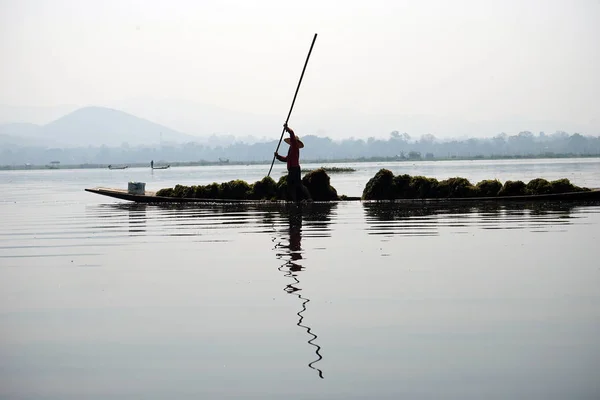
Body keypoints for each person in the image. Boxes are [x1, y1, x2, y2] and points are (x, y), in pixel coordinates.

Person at [275, 124, 311, 201]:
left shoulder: (295, 145)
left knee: (297, 185)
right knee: (293, 185)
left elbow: (291, 133)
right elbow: (286, 159)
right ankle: (296, 199)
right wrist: (278, 156)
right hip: (292, 169)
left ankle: (307, 198)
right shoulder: (291, 148)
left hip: (295, 169)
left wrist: (286, 128)